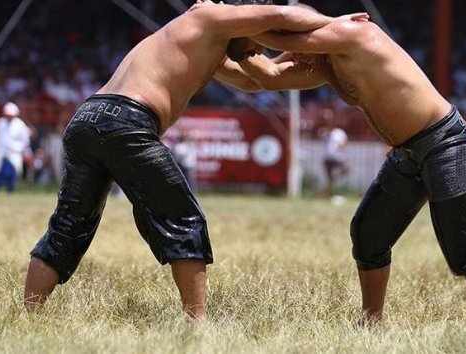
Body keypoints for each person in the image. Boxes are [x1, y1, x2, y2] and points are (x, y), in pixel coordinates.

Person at [22, 0, 344, 321]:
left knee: (69, 225)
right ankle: (197, 324)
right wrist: (339, 26)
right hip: (128, 121)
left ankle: (29, 316)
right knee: (184, 218)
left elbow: (260, 78)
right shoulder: (212, 14)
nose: (257, 50)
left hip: (87, 119)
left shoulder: (203, 39)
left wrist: (315, 65)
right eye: (259, 41)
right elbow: (283, 14)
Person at [232, 12, 466, 329]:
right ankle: (371, 322)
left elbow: (289, 41)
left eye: (296, 40)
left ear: (306, 27)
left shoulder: (354, 32)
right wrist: (230, 51)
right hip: (408, 152)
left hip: (445, 141)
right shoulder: (328, 64)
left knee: (459, 239)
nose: (296, 56)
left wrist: (234, 24)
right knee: (368, 232)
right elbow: (270, 76)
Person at [0, 102, 31, 193]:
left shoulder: (20, 124)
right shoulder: (0, 123)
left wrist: (21, 150)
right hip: (1, 151)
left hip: (14, 152)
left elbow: (25, 140)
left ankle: (10, 190)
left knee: (14, 171)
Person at [323, 125, 349, 197]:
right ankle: (329, 194)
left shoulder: (340, 132)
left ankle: (335, 177)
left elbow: (344, 143)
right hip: (328, 158)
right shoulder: (326, 133)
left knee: (346, 169)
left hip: (338, 158)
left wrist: (341, 146)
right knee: (329, 179)